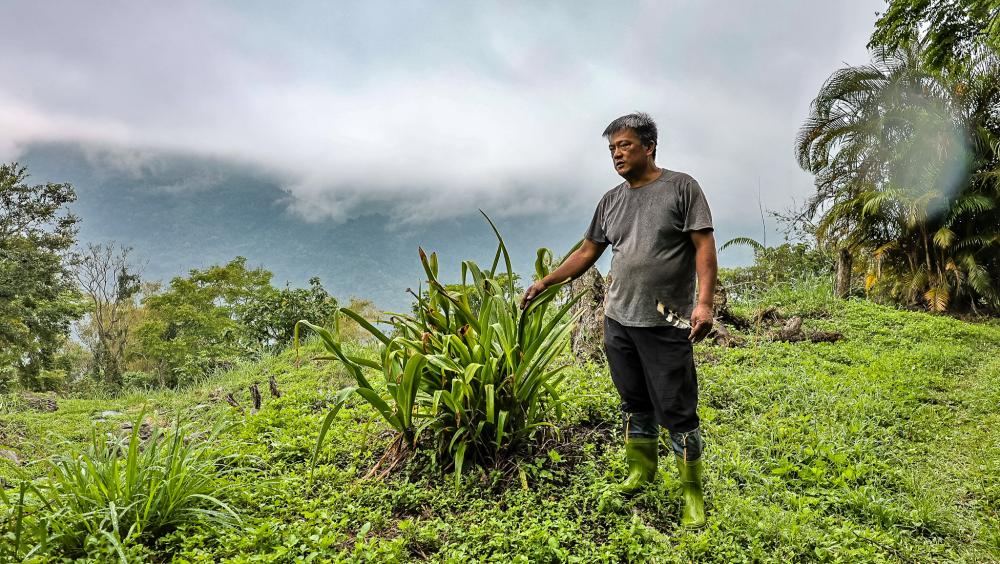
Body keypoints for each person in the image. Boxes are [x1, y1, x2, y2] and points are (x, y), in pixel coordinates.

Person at [520, 112, 717, 528]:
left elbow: (703, 247)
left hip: (666, 321)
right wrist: (547, 282)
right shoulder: (611, 200)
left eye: (624, 145)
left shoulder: (682, 187)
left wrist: (704, 303)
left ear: (649, 146)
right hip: (619, 319)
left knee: (678, 410)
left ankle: (692, 495)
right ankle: (640, 473)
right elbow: (587, 252)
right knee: (634, 402)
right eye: (612, 148)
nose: (617, 154)